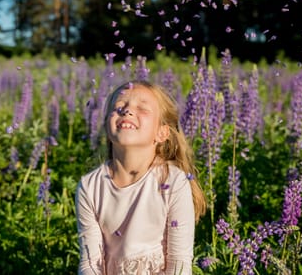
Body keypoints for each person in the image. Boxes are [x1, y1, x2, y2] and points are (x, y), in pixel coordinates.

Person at [76, 80, 206, 275]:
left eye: (142, 108)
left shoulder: (173, 182)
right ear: (105, 124)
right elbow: (90, 263)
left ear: (162, 133)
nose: (127, 111)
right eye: (119, 106)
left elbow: (179, 265)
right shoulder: (90, 186)